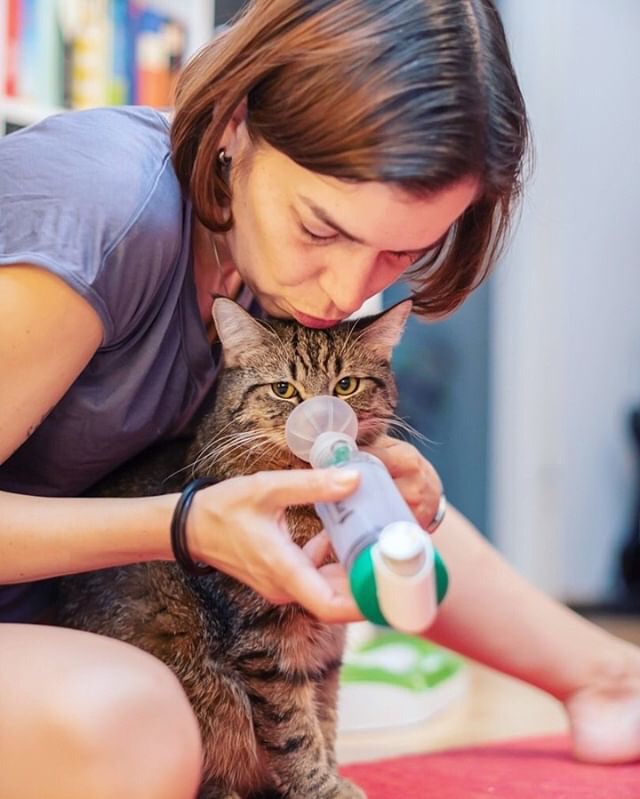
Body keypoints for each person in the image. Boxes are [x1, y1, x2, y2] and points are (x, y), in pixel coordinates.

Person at [1, 1, 639, 797]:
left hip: (60, 619)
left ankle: (608, 678)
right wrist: (184, 525)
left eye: (400, 252)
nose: (345, 292)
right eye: (323, 229)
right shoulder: (103, 213)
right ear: (236, 121)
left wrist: (393, 508)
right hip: (57, 627)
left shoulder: (266, 263)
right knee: (135, 722)